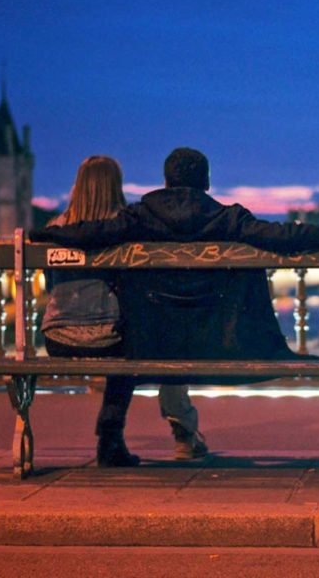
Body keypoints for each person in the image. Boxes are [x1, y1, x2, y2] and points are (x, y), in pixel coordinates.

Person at [32, 147, 319, 367]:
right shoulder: (225, 217)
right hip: (217, 339)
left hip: (156, 337)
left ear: (166, 181)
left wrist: (44, 234)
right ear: (205, 181)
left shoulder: (141, 216)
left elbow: (92, 234)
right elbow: (284, 237)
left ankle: (116, 436)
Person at [40, 155, 205, 467]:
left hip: (58, 336)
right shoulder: (127, 229)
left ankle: (116, 435)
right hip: (111, 336)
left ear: (79, 186)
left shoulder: (54, 229)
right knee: (144, 340)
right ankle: (118, 433)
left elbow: (51, 285)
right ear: (116, 186)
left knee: (128, 343)